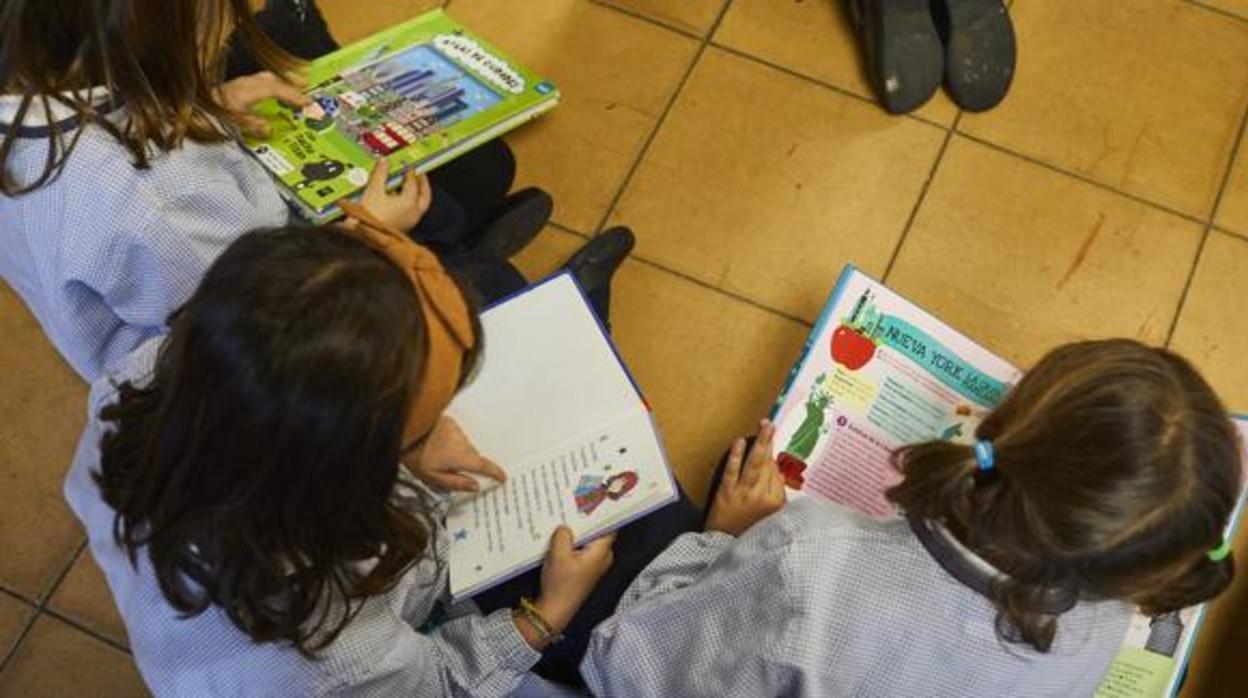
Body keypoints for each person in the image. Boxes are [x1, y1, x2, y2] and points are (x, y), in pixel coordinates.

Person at [62, 214, 657, 695]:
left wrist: (409, 447)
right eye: (421, 425)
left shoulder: (139, 382)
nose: (446, 423)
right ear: (347, 468)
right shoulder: (330, 656)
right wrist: (544, 615)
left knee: (494, 280)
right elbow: (439, 684)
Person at [581, 339, 1243, 696]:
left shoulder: (807, 554)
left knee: (647, 507)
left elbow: (626, 670)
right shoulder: (1100, 628)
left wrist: (721, 538)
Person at [0, 0, 553, 381]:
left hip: (202, 275)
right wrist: (366, 237)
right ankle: (446, 261)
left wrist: (200, 110)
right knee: (490, 284)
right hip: (248, 348)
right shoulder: (160, 198)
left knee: (438, 200)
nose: (221, 33)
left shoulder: (32, 96)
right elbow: (259, 324)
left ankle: (445, 246)